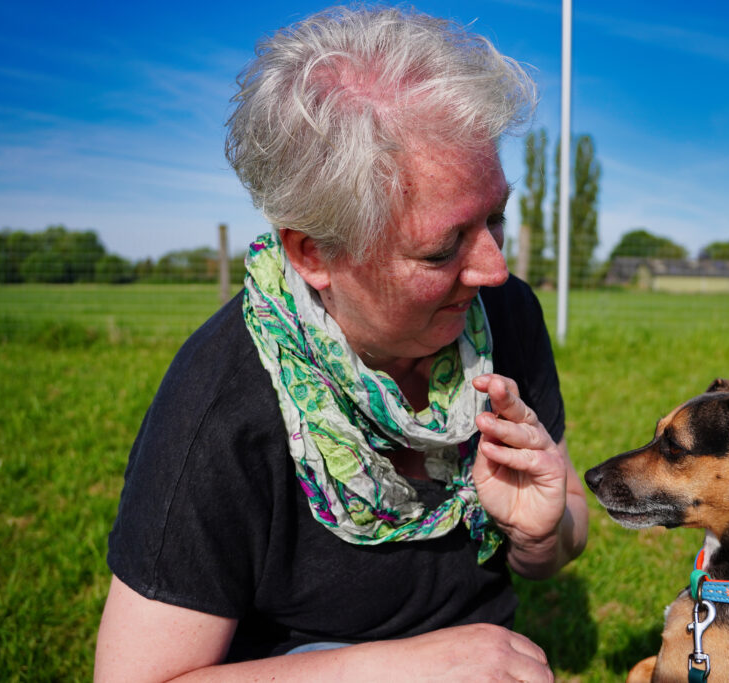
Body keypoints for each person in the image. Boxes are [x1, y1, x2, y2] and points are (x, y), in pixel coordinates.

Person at [94, 5, 588, 681]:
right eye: (441, 248)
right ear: (314, 254)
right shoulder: (221, 404)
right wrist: (415, 666)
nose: (494, 269)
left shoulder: (504, 314)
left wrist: (537, 535)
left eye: (496, 216)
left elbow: (565, 528)